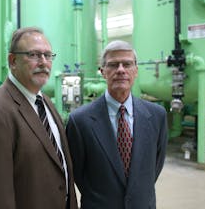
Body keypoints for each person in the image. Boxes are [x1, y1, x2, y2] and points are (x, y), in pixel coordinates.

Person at [0, 27, 78, 209]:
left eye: (48, 55)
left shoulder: (45, 102)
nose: (43, 62)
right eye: (33, 55)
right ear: (13, 61)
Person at [66, 40, 168, 209]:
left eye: (127, 64)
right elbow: (78, 173)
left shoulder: (157, 116)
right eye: (113, 65)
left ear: (135, 71)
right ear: (102, 72)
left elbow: (154, 166)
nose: (121, 70)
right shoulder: (80, 121)